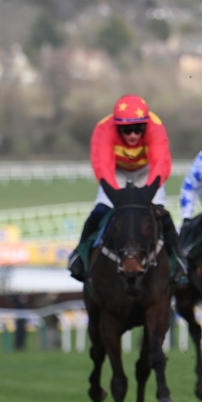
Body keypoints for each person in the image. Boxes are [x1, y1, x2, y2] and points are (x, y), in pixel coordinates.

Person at [67, 94, 184, 283]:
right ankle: (79, 255)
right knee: (100, 211)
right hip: (116, 171)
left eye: (139, 129)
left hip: (147, 171)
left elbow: (160, 163)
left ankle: (177, 258)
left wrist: (148, 194)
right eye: (126, 130)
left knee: (160, 214)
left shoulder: (156, 126)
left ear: (146, 125)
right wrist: (117, 198)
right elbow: (102, 167)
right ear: (116, 127)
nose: (133, 135)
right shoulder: (103, 129)